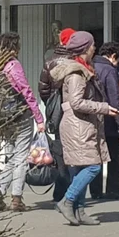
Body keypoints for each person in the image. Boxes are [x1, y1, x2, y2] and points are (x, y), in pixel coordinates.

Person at [51, 31, 119, 226]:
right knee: (93, 166)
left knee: (81, 166)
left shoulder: (83, 69)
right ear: (84, 49)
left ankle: (79, 210)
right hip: (78, 125)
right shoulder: (76, 73)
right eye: (92, 45)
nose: (94, 48)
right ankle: (68, 200)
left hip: (82, 124)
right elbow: (76, 102)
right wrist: (104, 108)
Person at [0, 32, 46, 212]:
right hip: (20, 115)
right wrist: (39, 118)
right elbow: (26, 91)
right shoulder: (13, 65)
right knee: (20, 157)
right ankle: (16, 198)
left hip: (3, 117)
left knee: (8, 156)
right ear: (13, 48)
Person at [38, 27, 75, 203]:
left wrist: (51, 103)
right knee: (75, 149)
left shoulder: (50, 61)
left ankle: (60, 190)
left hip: (57, 111)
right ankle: (72, 190)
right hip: (74, 111)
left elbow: (43, 88)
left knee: (59, 149)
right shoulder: (76, 61)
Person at [90, 42, 119, 200]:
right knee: (113, 155)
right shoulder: (109, 70)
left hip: (93, 116)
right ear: (113, 56)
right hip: (108, 118)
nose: (118, 64)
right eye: (118, 60)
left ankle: (95, 191)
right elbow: (114, 98)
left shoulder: (90, 65)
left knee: (96, 155)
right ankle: (113, 190)